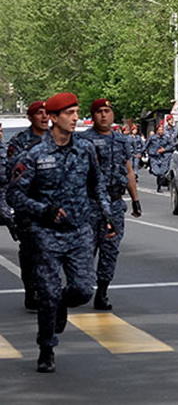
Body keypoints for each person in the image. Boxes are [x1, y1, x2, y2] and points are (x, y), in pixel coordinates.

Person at [7, 92, 114, 373]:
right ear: (53, 118)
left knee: (81, 290)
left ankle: (60, 306)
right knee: (49, 292)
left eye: (77, 112)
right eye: (70, 113)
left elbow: (97, 184)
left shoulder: (85, 150)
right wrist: (43, 210)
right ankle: (47, 348)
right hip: (45, 234)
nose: (76, 118)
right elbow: (14, 196)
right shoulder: (34, 155)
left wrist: (106, 214)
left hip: (80, 231)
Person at [77, 99, 142, 310]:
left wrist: (135, 200)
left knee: (110, 251)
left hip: (114, 203)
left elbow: (129, 171)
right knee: (86, 250)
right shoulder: (83, 141)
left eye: (107, 111)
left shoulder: (122, 141)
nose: (103, 115)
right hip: (90, 204)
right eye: (99, 112)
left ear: (112, 114)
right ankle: (79, 286)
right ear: (92, 116)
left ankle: (102, 292)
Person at [5, 101, 49, 311]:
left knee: (51, 251)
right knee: (31, 251)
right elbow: (12, 174)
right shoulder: (19, 142)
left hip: (53, 205)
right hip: (29, 207)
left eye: (46, 113)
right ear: (30, 117)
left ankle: (48, 290)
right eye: (38, 113)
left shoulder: (58, 139)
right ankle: (31, 291)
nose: (43, 117)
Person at [144, 123, 174, 193]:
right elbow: (146, 146)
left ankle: (159, 187)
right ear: (157, 131)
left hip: (163, 157)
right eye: (159, 130)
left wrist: (165, 149)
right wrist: (142, 153)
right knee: (157, 172)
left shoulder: (166, 138)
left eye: (162, 130)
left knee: (162, 173)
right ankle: (151, 168)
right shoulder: (152, 138)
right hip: (154, 157)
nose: (161, 131)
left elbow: (172, 145)